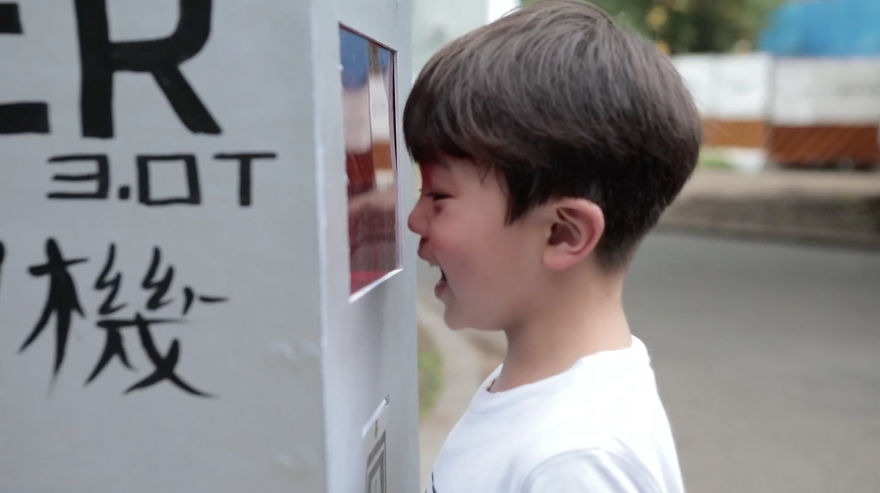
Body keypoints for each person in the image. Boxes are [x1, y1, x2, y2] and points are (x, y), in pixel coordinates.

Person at [404, 0, 700, 491]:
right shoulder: (538, 396)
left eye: (438, 196)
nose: (415, 221)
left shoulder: (574, 461)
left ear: (563, 233)